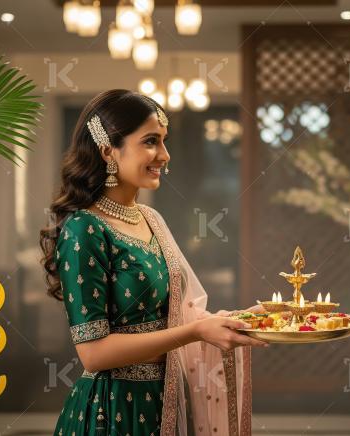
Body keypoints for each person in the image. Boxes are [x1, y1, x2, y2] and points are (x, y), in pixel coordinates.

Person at [40, 89, 267, 436]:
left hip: (166, 402)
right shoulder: (84, 228)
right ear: (107, 151)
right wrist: (194, 332)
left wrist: (226, 322)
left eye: (163, 141)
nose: (164, 154)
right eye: (150, 142)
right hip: (111, 410)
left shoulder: (151, 218)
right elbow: (94, 353)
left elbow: (179, 312)